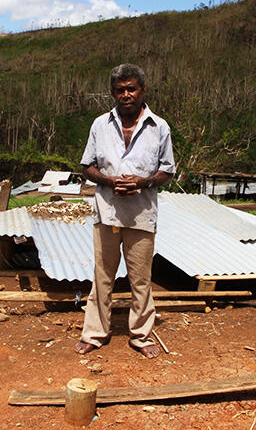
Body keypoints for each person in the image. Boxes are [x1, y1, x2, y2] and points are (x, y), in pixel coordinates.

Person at [75, 63, 175, 358]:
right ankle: (95, 333)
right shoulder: (99, 125)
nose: (126, 95)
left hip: (141, 213)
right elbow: (87, 167)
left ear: (143, 90)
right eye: (120, 90)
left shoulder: (160, 127)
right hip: (106, 211)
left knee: (140, 277)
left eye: (131, 89)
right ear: (113, 93)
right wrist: (109, 181)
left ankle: (141, 335)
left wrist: (142, 183)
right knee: (102, 275)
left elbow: (167, 171)